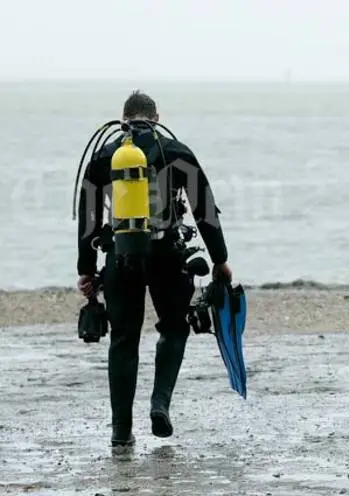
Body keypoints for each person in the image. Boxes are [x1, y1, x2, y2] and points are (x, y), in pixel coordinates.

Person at [76, 90, 233, 447]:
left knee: (123, 339)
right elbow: (205, 210)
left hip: (120, 255)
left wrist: (86, 268)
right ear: (157, 118)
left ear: (123, 118)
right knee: (175, 328)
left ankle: (120, 431)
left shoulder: (105, 156)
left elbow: (88, 218)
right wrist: (220, 260)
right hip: (167, 254)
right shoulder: (176, 152)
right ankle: (159, 403)